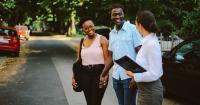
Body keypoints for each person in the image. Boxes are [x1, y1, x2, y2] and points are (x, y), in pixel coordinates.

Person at [99, 4, 142, 105]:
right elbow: (110, 57)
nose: (117, 16)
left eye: (120, 14)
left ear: (124, 15)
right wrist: (103, 74)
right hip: (116, 77)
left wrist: (136, 75)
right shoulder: (111, 33)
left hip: (129, 76)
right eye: (114, 14)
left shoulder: (133, 29)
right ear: (111, 16)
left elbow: (140, 53)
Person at [126, 10, 163, 105]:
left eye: (135, 22)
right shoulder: (146, 41)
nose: (134, 25)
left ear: (140, 25)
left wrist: (134, 75)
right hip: (144, 90)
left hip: (150, 92)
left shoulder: (151, 44)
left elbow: (154, 74)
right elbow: (146, 65)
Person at [72, 17, 109, 105]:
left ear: (94, 26)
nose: (89, 29)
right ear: (83, 30)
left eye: (91, 26)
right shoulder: (81, 41)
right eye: (86, 28)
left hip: (99, 73)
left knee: (96, 101)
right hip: (85, 75)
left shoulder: (102, 39)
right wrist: (74, 77)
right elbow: (78, 61)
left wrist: (105, 75)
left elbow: (107, 60)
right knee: (89, 102)